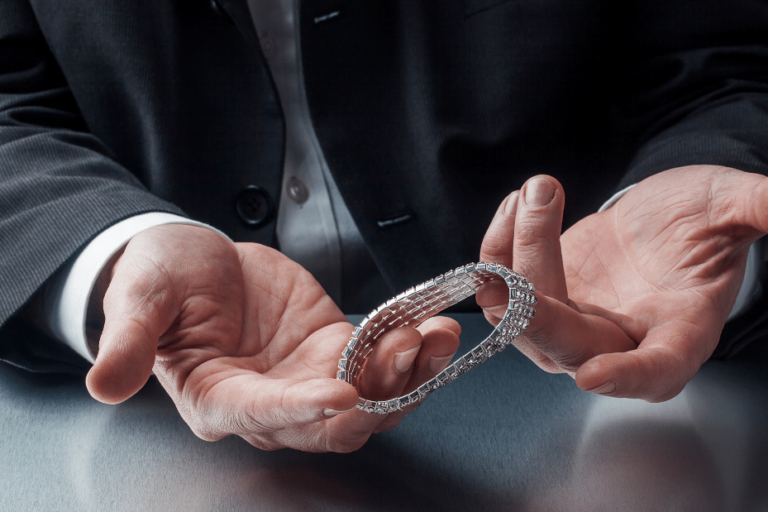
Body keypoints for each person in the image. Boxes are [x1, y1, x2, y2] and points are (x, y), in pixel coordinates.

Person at [1, 0, 767, 452]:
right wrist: (112, 253)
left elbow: (724, 57)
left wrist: (706, 192)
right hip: (116, 436)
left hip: (631, 426)